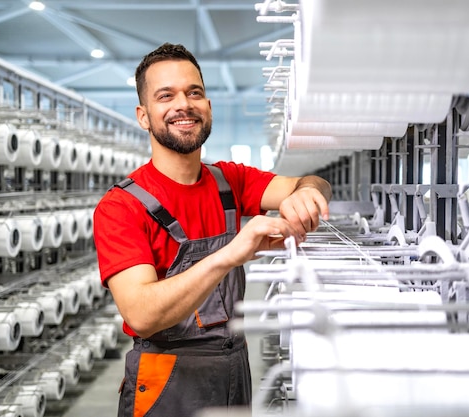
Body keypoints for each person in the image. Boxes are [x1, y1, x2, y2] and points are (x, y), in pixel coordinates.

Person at [92, 42, 332, 417]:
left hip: (234, 369)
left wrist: (306, 194)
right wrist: (231, 254)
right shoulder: (122, 207)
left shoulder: (229, 180)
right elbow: (141, 313)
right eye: (165, 95)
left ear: (208, 106)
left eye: (195, 92)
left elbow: (311, 181)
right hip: (167, 383)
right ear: (143, 115)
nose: (183, 105)